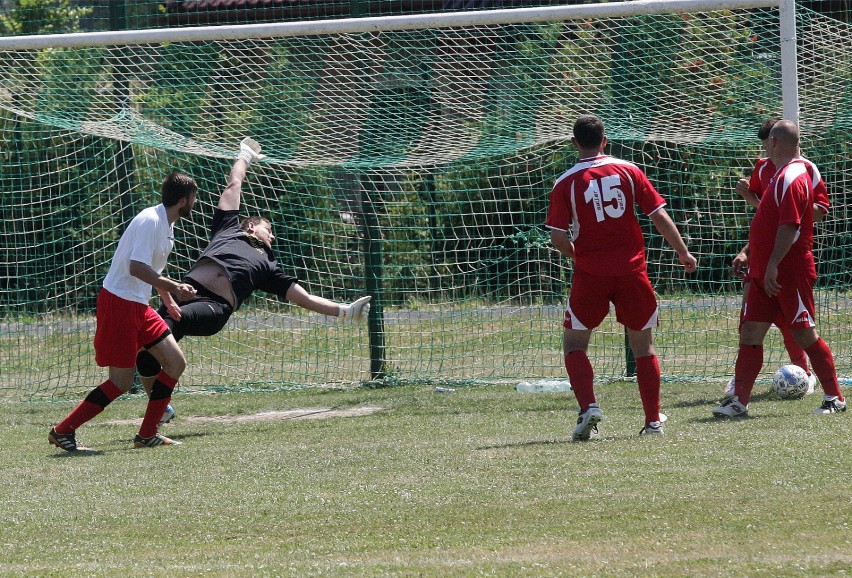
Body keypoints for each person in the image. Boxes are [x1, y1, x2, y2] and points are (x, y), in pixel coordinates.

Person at [135, 139, 371, 414]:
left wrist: (345, 311)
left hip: (214, 307)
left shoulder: (269, 265)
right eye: (267, 228)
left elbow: (304, 298)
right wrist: (244, 156)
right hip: (183, 292)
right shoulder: (228, 228)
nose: (271, 235)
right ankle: (160, 409)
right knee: (145, 354)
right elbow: (233, 184)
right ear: (250, 226)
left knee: (162, 330)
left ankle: (154, 414)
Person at [545, 114, 698, 440]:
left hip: (591, 274)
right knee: (643, 346)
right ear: (605, 140)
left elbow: (558, 238)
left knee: (574, 344)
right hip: (632, 271)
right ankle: (653, 421)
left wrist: (580, 256)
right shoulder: (630, 170)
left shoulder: (565, 182)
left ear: (574, 143)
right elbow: (658, 216)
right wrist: (683, 252)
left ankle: (588, 407)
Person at [48, 169, 199, 452]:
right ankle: (63, 430)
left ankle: (146, 435)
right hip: (119, 303)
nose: (195, 203)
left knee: (176, 363)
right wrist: (175, 287)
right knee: (120, 382)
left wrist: (166, 298)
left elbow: (151, 271)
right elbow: (136, 268)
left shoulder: (167, 224)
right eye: (194, 198)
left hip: (139, 307)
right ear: (183, 200)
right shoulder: (150, 221)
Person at [712, 120, 846, 418]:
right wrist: (752, 255)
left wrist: (772, 264)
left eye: (765, 143)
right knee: (750, 332)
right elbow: (768, 221)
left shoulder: (795, 175)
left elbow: (791, 226)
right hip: (763, 272)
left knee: (804, 334)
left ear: (773, 142)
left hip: (787, 273)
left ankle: (834, 397)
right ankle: (739, 402)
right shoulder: (778, 174)